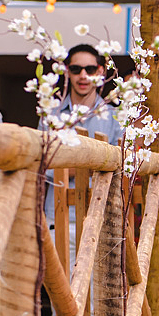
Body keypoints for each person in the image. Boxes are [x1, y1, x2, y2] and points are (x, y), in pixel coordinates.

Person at [42, 44, 122, 238]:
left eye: (90, 69)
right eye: (76, 69)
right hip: (57, 216)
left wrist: (68, 166)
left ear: (101, 72)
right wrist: (91, 166)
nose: (83, 75)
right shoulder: (51, 112)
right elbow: (40, 162)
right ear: (67, 72)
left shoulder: (115, 116)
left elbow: (119, 167)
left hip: (101, 216)